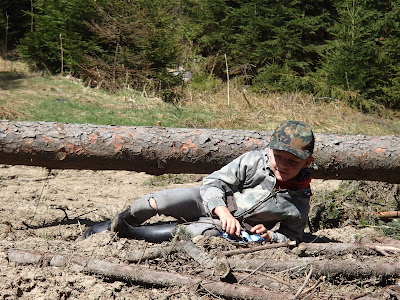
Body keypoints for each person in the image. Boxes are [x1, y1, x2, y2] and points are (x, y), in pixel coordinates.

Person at [84, 120, 315, 243]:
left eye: (292, 162)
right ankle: (113, 224)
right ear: (270, 149)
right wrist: (223, 210)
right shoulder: (254, 161)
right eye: (278, 157)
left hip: (233, 228)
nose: (283, 166)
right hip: (209, 201)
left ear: (307, 162)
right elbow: (213, 182)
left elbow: (292, 235)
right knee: (156, 201)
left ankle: (132, 234)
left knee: (195, 233)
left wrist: (269, 235)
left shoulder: (300, 199)